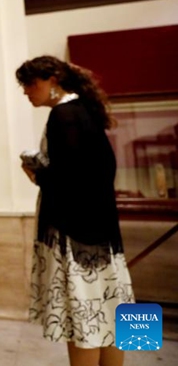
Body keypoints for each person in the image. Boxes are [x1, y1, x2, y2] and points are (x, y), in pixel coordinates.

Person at [16, 55, 134, 366]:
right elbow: (98, 171)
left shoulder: (63, 114)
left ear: (53, 81)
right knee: (112, 314)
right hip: (102, 235)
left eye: (31, 83)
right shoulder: (85, 110)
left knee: (83, 320)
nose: (26, 91)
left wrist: (37, 175)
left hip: (76, 238)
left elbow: (70, 178)